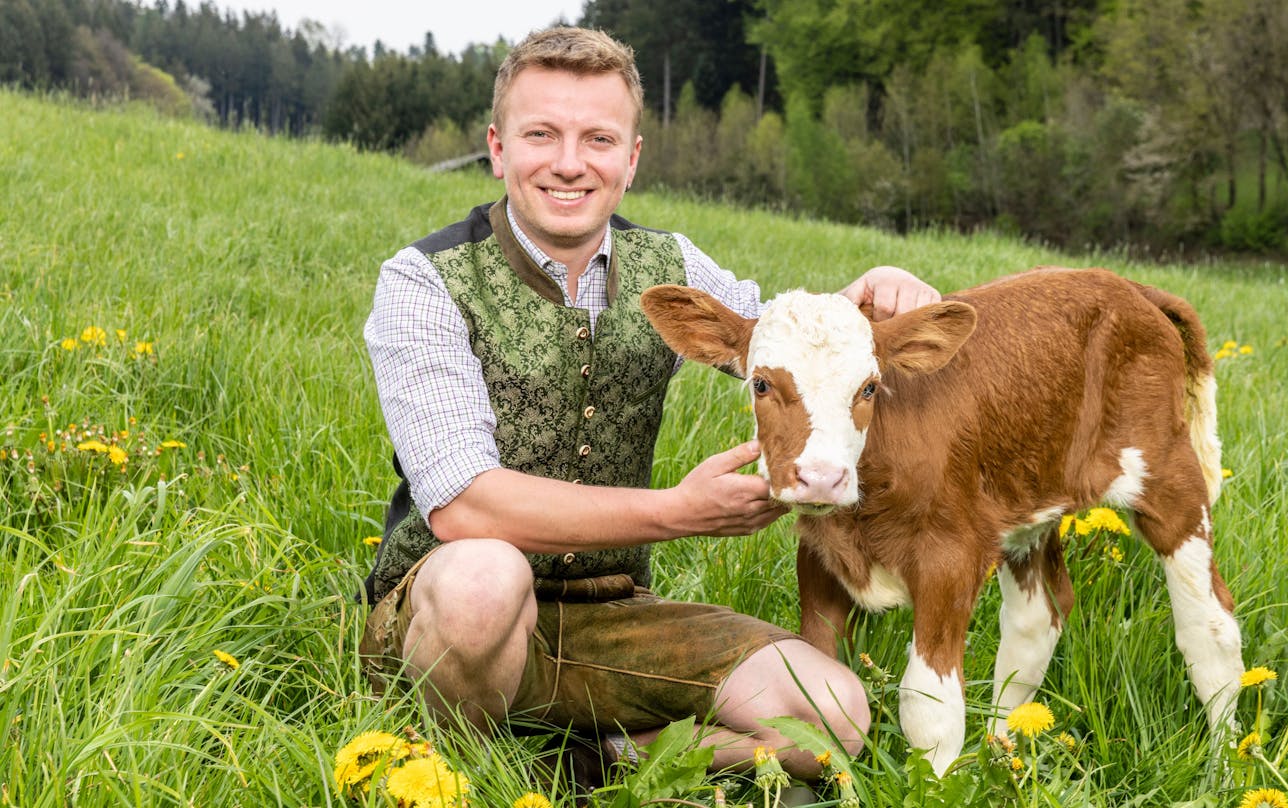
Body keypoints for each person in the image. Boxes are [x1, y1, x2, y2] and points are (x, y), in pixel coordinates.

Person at [357, 26, 940, 783]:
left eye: (598, 139)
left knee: (834, 713)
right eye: (542, 135)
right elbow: (466, 507)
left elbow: (781, 341)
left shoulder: (668, 265)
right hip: (445, 614)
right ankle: (467, 761)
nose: (570, 163)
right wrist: (678, 512)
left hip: (613, 614)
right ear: (498, 149)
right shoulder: (424, 281)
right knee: (483, 580)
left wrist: (870, 292)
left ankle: (611, 767)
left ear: (630, 160)